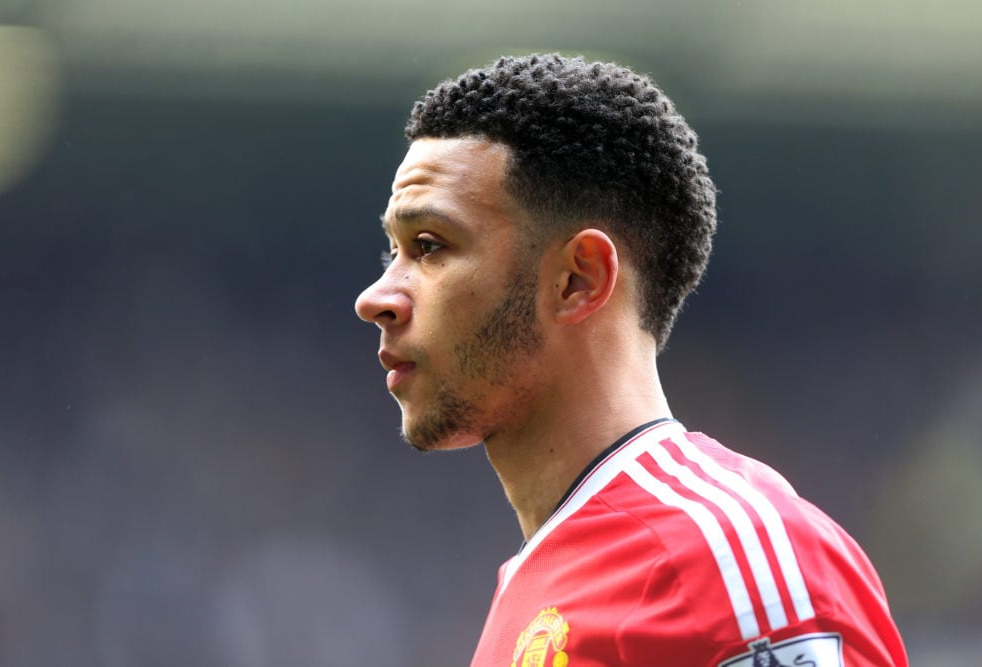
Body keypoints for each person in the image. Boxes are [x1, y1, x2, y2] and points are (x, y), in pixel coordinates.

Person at [354, 53, 908, 667]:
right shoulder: (539, 583)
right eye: (394, 253)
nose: (376, 298)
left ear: (577, 279)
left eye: (429, 247)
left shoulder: (725, 564)